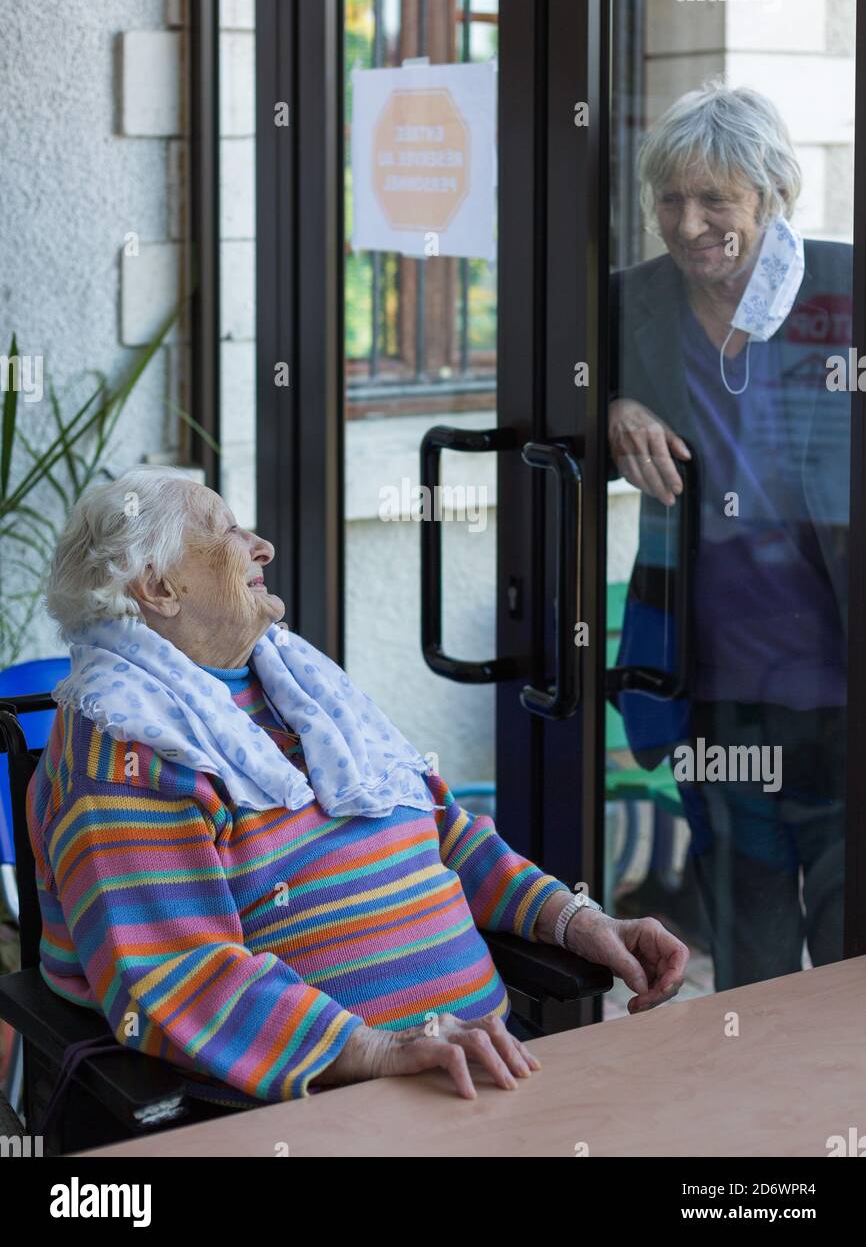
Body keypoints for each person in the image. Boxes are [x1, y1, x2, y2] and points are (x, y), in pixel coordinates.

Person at [29, 466, 688, 1108]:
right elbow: (176, 977)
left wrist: (577, 921)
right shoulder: (125, 746)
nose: (262, 547)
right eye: (228, 533)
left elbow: (446, 833)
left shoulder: (300, 685)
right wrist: (376, 1051)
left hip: (481, 1069)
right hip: (328, 1102)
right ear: (158, 586)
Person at [609, 81, 851, 990]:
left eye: (718, 199)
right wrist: (615, 409)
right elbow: (546, 410)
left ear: (771, 195)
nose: (690, 221)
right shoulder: (633, 301)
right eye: (671, 198)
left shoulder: (845, 287)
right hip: (711, 683)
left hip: (837, 687)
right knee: (743, 950)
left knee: (845, 947)